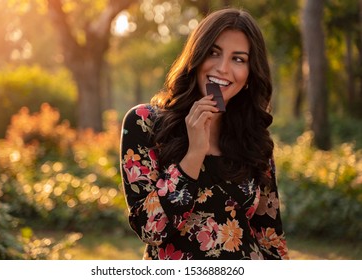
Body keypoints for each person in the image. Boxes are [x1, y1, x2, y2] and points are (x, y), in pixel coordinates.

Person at [120, 7, 289, 260]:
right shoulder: (144, 123)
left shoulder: (254, 138)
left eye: (238, 59)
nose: (222, 68)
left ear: (250, 74)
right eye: (214, 52)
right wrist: (195, 152)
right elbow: (150, 229)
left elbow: (270, 238)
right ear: (196, 56)